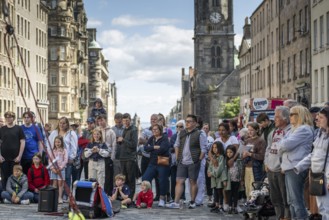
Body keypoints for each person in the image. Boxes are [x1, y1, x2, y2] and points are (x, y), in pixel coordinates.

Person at [278, 105, 314, 220]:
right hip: (289, 167)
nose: (290, 117)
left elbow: (285, 145)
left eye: (292, 114)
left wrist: (282, 144)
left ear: (300, 115)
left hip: (296, 167)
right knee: (291, 200)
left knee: (296, 200)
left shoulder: (304, 129)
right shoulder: (293, 130)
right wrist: (282, 144)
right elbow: (281, 144)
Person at [294, 106, 329, 218]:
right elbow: (315, 154)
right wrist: (299, 166)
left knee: (327, 208)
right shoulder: (320, 134)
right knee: (322, 207)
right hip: (317, 175)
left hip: (326, 177)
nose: (317, 120)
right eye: (317, 117)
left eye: (321, 117)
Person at [166, 114, 207, 209]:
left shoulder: (200, 133)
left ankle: (192, 201)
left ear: (195, 123)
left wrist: (199, 160)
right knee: (179, 181)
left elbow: (203, 149)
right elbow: (176, 145)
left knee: (193, 181)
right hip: (182, 161)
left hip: (194, 161)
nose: (187, 123)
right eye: (186, 121)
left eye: (189, 121)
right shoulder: (181, 133)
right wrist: (177, 158)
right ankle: (176, 202)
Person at [264, 106, 291, 220]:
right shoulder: (273, 132)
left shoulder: (290, 131)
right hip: (271, 168)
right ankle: (279, 217)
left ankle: (287, 217)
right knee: (275, 198)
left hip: (282, 170)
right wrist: (266, 162)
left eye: (277, 117)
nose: (274, 119)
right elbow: (268, 148)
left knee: (285, 198)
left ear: (285, 118)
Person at [47, 117, 77, 200]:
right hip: (55, 160)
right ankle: (56, 195)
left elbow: (74, 147)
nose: (62, 125)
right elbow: (49, 145)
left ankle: (65, 194)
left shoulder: (71, 133)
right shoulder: (54, 133)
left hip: (66, 159)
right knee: (55, 179)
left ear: (67, 124)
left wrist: (71, 157)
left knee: (66, 178)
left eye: (64, 123)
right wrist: (50, 157)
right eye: (60, 123)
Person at [142, 124, 171, 207]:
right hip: (152, 162)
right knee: (145, 178)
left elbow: (163, 149)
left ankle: (162, 198)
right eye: (153, 129)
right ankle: (148, 196)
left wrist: (152, 148)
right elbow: (145, 148)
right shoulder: (152, 138)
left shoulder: (164, 138)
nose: (154, 131)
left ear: (160, 130)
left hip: (162, 162)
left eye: (156, 129)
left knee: (162, 180)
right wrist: (155, 147)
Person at [0, 111, 25, 188]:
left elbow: (23, 142)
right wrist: (0, 156)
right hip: (4, 158)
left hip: (15, 158)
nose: (8, 119)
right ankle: (5, 195)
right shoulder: (2, 129)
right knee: (4, 177)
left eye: (10, 117)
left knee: (15, 177)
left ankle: (14, 194)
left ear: (13, 118)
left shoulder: (18, 128)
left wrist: (19, 156)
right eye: (6, 117)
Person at [242, 122, 266, 200]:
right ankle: (248, 207)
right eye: (248, 130)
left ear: (256, 130)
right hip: (246, 167)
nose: (249, 132)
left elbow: (262, 156)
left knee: (254, 189)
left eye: (252, 130)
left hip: (255, 168)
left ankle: (253, 209)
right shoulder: (247, 141)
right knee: (247, 188)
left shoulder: (261, 141)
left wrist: (250, 154)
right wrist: (244, 155)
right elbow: (242, 155)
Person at [118, 113, 138, 199]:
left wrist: (123, 140)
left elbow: (133, 145)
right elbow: (124, 142)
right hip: (123, 157)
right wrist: (119, 141)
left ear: (130, 119)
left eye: (127, 120)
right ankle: (125, 197)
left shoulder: (133, 130)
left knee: (131, 179)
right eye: (124, 121)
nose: (125, 122)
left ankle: (131, 198)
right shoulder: (124, 129)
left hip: (130, 158)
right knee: (124, 179)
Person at [96, 114, 116, 195]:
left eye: (102, 120)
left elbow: (114, 145)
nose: (100, 122)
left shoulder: (111, 132)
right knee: (100, 176)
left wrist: (112, 158)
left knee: (108, 177)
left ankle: (108, 194)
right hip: (99, 156)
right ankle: (100, 194)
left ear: (105, 120)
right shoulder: (97, 130)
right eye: (99, 121)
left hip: (108, 156)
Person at [207, 141, 227, 214]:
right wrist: (209, 172)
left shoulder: (221, 157)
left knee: (219, 191)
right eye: (213, 147)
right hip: (213, 178)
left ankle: (220, 206)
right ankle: (216, 205)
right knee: (215, 191)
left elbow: (220, 168)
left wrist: (212, 173)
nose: (214, 149)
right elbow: (211, 165)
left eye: (216, 147)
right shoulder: (214, 156)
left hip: (219, 178)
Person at [169, 120, 186, 202]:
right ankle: (173, 197)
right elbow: (170, 148)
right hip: (174, 162)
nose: (179, 128)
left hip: (183, 161)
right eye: (177, 126)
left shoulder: (186, 136)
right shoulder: (173, 136)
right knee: (173, 180)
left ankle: (182, 197)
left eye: (181, 126)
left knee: (181, 180)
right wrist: (176, 149)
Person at [49, 136, 68, 204]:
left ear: (61, 142)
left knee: (60, 183)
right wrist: (52, 168)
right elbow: (50, 160)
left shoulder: (64, 150)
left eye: (59, 142)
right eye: (56, 142)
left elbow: (65, 160)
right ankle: (54, 197)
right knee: (54, 183)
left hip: (61, 169)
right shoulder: (53, 150)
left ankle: (60, 197)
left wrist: (60, 167)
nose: (57, 143)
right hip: (54, 169)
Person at [226, 145, 243, 214]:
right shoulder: (226, 161)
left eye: (231, 152)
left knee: (236, 194)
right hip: (229, 181)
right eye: (227, 152)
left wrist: (241, 179)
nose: (229, 154)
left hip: (236, 180)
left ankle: (235, 207)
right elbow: (225, 171)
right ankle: (230, 207)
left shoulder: (237, 161)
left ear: (234, 153)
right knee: (230, 194)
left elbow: (241, 169)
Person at [202, 122, 214, 204]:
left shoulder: (211, 139)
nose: (205, 129)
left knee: (208, 179)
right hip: (201, 160)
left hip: (209, 161)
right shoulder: (200, 137)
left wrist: (210, 160)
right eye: (204, 128)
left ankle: (210, 196)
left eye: (207, 128)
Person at [111, 113, 124, 178]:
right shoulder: (112, 129)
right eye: (116, 122)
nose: (118, 124)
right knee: (116, 176)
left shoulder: (126, 128)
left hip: (124, 156)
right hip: (115, 155)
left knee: (123, 176)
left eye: (119, 122)